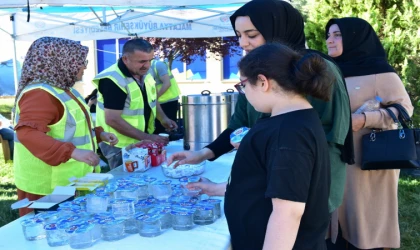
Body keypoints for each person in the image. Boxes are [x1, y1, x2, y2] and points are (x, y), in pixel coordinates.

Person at [169, 0, 353, 214]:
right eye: (238, 35)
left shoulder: (315, 70)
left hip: (305, 186)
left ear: (277, 29)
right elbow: (239, 127)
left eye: (251, 34)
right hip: (268, 179)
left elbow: (327, 136)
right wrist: (202, 154)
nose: (243, 43)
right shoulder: (254, 69)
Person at [225, 43, 332, 250]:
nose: (243, 92)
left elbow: (288, 212)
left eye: (243, 85)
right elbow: (267, 182)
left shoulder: (290, 133)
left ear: (263, 82)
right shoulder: (290, 122)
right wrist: (217, 189)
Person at [325, 17, 413, 250]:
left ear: (355, 38)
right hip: (335, 158)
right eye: (328, 35)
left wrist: (365, 119)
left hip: (368, 160)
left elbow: (404, 109)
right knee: (337, 220)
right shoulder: (329, 72)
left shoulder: (380, 72)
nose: (329, 41)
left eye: (337, 35)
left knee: (366, 221)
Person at [13, 37, 118, 216]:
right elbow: (27, 133)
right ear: (59, 61)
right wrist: (72, 152)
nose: (84, 66)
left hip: (67, 182)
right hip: (47, 188)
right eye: (81, 61)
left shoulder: (62, 89)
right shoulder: (40, 94)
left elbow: (68, 128)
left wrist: (99, 134)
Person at [92, 39, 178, 149]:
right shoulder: (112, 80)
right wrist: (148, 137)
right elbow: (112, 119)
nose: (147, 65)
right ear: (125, 59)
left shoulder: (144, 72)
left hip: (141, 140)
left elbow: (152, 99)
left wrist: (163, 118)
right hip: (119, 145)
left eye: (150, 60)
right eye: (142, 61)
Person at [149, 59, 181, 135]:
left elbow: (167, 83)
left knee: (166, 129)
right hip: (158, 102)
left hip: (168, 101)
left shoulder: (158, 65)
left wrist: (155, 97)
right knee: (158, 128)